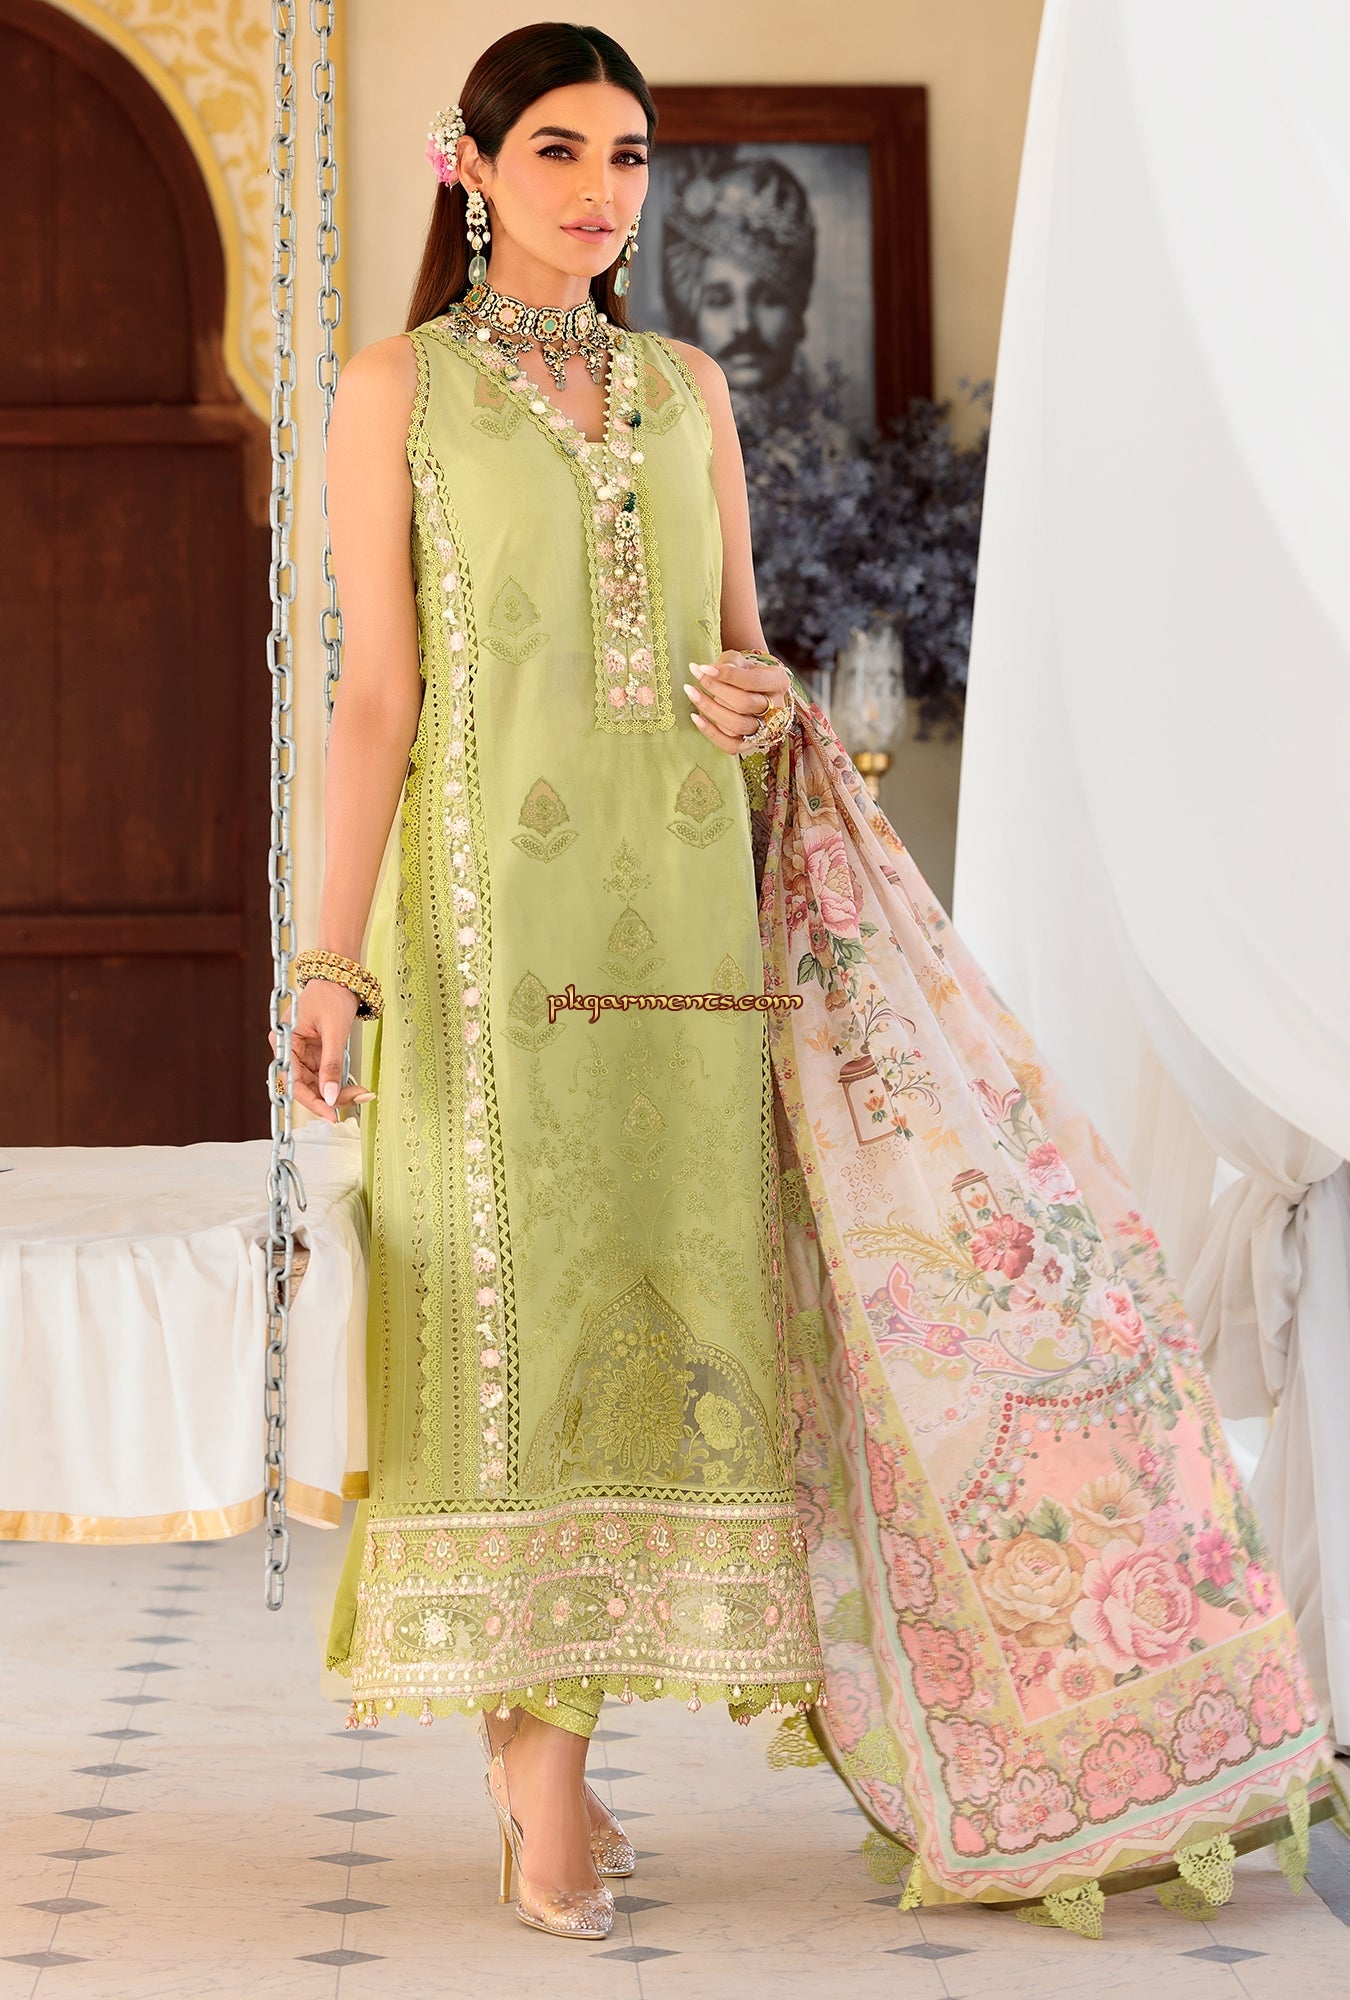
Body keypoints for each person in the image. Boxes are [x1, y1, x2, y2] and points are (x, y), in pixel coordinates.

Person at [283, 19, 1343, 1950]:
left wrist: (762, 703)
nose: (600, 189)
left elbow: (746, 650)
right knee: (516, 1334)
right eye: (557, 150)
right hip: (492, 945)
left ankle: (565, 1765)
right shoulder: (397, 393)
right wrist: (331, 959)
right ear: (472, 168)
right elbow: (375, 699)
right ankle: (544, 1781)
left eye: (628, 155)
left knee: (673, 1320)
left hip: (697, 938)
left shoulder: (683, 390)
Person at [660, 152, 816, 400]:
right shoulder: (655, 422)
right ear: (691, 317)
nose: (744, 325)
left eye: (769, 300)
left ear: (797, 317)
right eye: (719, 301)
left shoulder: (834, 426)